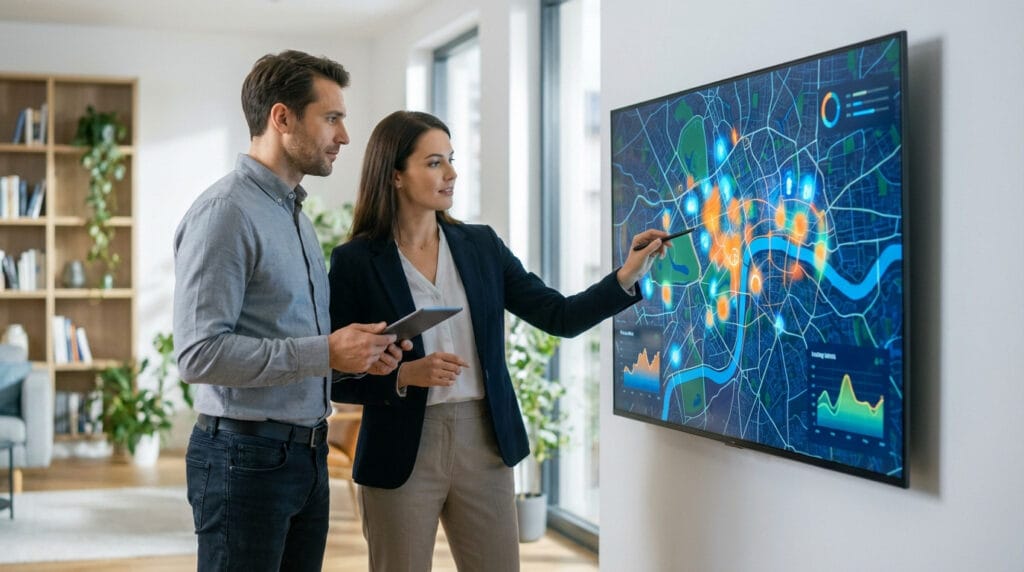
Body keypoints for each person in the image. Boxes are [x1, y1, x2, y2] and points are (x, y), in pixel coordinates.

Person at [328, 110, 670, 570]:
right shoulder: (356, 261)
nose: (451, 173)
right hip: (399, 445)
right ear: (395, 176)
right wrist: (405, 374)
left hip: (484, 441)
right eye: (433, 163)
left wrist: (626, 276)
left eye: (450, 159)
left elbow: (558, 315)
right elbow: (333, 375)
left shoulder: (481, 246)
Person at [173, 51, 409, 572]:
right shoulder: (225, 215)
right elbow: (197, 354)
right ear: (282, 119)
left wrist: (356, 355)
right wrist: (324, 350)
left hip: (306, 454)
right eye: (332, 118)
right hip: (242, 458)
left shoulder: (296, 215)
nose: (345, 136)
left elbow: (290, 337)